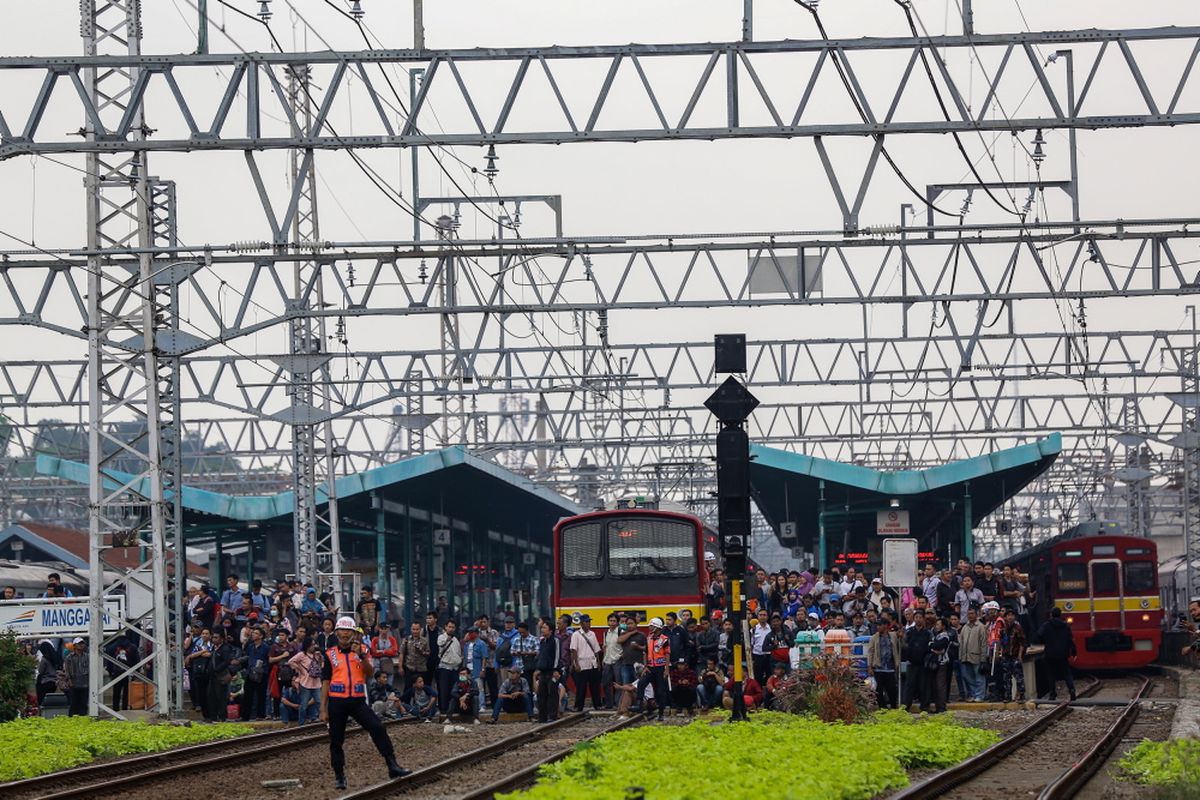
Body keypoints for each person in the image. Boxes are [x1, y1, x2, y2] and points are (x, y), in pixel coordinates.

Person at [320, 616, 410, 789]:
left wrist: (360, 655)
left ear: (354, 633)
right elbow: (325, 682)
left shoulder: (363, 649)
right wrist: (322, 708)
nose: (345, 634)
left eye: (348, 631)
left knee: (377, 727)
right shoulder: (329, 654)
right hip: (337, 702)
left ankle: (392, 765)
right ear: (336, 632)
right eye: (342, 631)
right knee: (336, 740)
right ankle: (339, 776)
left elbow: (369, 673)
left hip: (357, 701)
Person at [1038, 607, 1076, 701]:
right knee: (1067, 673)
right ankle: (1071, 689)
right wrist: (1074, 651)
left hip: (1050, 653)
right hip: (1063, 653)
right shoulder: (1065, 625)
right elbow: (1070, 639)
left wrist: (1045, 641)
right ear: (1060, 615)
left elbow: (1039, 634)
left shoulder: (1046, 625)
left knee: (1051, 674)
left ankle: (1052, 694)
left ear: (1051, 614)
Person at [867, 612, 901, 709]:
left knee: (892, 690)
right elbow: (870, 652)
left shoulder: (893, 635)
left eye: (880, 625)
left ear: (886, 626)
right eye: (877, 625)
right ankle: (883, 708)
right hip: (878, 668)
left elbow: (901, 644)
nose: (878, 627)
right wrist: (869, 666)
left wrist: (901, 636)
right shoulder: (874, 637)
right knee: (879, 690)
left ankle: (894, 707)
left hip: (890, 668)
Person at [288, 637, 324, 724]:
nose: (313, 646)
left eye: (314, 644)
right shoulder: (301, 655)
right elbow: (290, 661)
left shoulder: (317, 654)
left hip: (316, 682)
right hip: (305, 682)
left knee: (319, 701)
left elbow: (321, 666)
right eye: (312, 644)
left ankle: (323, 719)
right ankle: (301, 722)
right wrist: (299, 669)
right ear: (307, 646)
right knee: (304, 704)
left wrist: (320, 658)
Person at [902, 612, 931, 712]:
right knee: (910, 685)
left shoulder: (928, 633)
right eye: (916, 617)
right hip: (912, 663)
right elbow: (904, 645)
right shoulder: (909, 632)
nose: (918, 619)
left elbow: (931, 646)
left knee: (924, 686)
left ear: (923, 619)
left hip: (923, 663)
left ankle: (925, 707)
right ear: (914, 619)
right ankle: (906, 707)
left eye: (920, 617)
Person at [241, 627, 270, 720]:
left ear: (261, 636)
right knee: (247, 695)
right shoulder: (250, 646)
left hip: (261, 674)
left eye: (256, 633)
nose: (253, 635)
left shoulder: (266, 647)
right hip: (250, 672)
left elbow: (268, 660)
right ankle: (245, 716)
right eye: (253, 633)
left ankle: (261, 715)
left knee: (261, 694)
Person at [959, 607, 988, 702]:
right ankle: (973, 694)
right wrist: (960, 656)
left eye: (972, 613)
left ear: (976, 614)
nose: (970, 615)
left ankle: (980, 696)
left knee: (979, 677)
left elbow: (984, 643)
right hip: (965, 656)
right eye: (969, 614)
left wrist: (983, 658)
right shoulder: (965, 627)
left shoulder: (981, 627)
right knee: (968, 677)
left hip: (977, 656)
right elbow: (961, 642)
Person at [534, 618, 560, 723]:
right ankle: (542, 717)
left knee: (552, 695)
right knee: (541, 695)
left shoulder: (555, 640)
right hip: (543, 672)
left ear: (551, 630)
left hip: (551, 672)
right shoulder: (542, 641)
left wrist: (556, 669)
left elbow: (557, 656)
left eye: (545, 628)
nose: (542, 629)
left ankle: (552, 716)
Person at [105, 634, 137, 712]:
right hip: (128, 673)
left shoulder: (111, 647)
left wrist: (110, 672)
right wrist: (135, 673)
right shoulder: (133, 647)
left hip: (116, 672)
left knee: (116, 693)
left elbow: (108, 662)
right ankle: (125, 710)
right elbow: (137, 661)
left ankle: (116, 710)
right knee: (127, 694)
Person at [1000, 608, 1027, 702]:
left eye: (1012, 615)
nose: (1010, 617)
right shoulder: (1003, 629)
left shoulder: (1018, 628)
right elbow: (1001, 642)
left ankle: (1021, 695)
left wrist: (1020, 655)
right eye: (1008, 615)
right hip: (1006, 655)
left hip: (1015, 655)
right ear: (1005, 617)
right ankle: (1007, 696)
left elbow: (1022, 643)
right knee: (1006, 677)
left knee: (1018, 677)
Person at [928, 617, 951, 713]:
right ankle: (938, 707)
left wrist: (932, 646)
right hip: (935, 662)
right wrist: (933, 646)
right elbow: (931, 645)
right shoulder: (937, 636)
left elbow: (938, 647)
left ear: (943, 626)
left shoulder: (945, 636)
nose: (936, 626)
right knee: (936, 686)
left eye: (938, 624)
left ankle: (941, 707)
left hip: (942, 663)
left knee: (940, 686)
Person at [600, 614, 623, 709]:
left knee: (618, 683)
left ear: (617, 622)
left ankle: (618, 703)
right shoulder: (606, 633)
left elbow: (625, 646)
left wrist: (621, 656)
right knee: (605, 683)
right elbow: (605, 647)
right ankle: (609, 704)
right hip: (607, 661)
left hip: (617, 660)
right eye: (610, 621)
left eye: (614, 621)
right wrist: (603, 659)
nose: (612, 623)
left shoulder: (621, 632)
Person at [400, 621, 429, 693]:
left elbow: (428, 653)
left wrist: (421, 651)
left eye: (417, 629)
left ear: (420, 630)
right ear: (411, 629)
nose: (415, 631)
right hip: (410, 668)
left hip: (421, 668)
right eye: (413, 629)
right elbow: (401, 653)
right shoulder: (406, 640)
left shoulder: (425, 641)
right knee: (408, 688)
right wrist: (400, 667)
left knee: (421, 688)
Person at [63, 638, 88, 716]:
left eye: (82, 643)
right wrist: (69, 680)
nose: (81, 645)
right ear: (74, 646)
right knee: (73, 705)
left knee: (84, 705)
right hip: (73, 684)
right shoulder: (69, 657)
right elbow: (67, 670)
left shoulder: (87, 656)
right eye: (79, 643)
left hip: (85, 684)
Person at [35, 639, 60, 710]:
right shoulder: (56, 657)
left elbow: (40, 671)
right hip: (54, 682)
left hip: (45, 682)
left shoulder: (44, 659)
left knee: (43, 701)